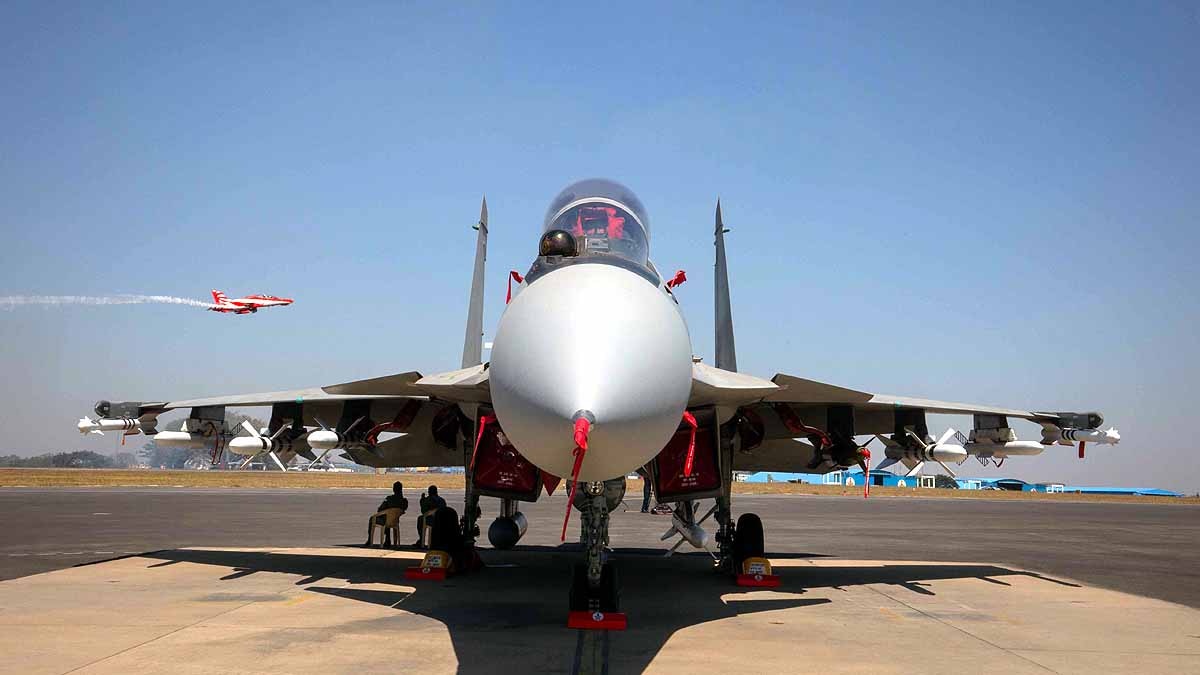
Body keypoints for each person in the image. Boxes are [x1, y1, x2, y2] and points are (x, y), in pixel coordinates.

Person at [365, 481, 408, 548]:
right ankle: (388, 540)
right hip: (395, 521)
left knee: (373, 518)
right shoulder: (404, 501)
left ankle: (370, 540)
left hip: (385, 520)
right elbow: (403, 509)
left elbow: (380, 509)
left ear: (394, 489)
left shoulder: (389, 498)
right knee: (387, 517)